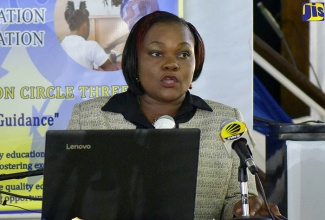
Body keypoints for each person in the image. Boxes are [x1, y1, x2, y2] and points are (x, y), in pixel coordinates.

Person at [68, 11, 282, 219]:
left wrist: (243, 209)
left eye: (183, 54)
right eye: (156, 53)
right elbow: (70, 200)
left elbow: (239, 196)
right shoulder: (89, 118)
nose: (172, 63)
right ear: (135, 61)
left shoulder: (225, 121)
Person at [61, 1, 119, 71]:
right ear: (85, 26)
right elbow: (112, 70)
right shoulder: (90, 46)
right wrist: (112, 60)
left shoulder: (61, 44)